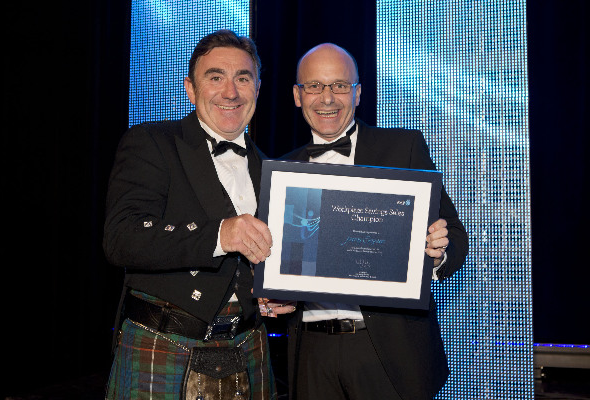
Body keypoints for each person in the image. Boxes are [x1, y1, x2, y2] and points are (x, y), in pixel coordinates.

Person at [275, 43, 469, 400]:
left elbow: (455, 235)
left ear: (358, 92)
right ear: (297, 96)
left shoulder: (403, 148)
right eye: (314, 86)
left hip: (390, 353)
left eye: (340, 85)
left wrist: (437, 255)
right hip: (312, 354)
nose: (327, 98)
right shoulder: (282, 171)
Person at [103, 29, 279, 399]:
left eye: (242, 78)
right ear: (190, 89)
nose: (230, 92)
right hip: (163, 346)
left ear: (257, 88)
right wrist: (220, 235)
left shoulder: (272, 169)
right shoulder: (151, 142)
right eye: (215, 77)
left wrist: (273, 290)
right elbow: (122, 238)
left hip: (249, 348)